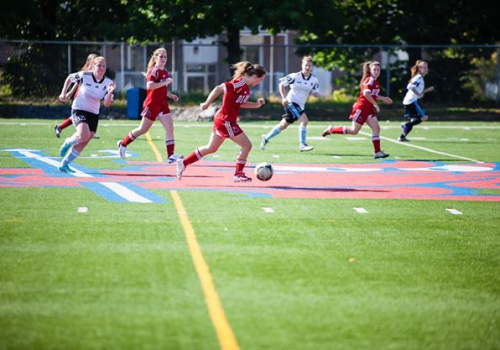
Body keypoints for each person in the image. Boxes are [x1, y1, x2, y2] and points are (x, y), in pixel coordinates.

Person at [176, 61, 267, 182]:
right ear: (255, 76)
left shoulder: (245, 87)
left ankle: (183, 163)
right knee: (247, 145)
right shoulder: (240, 82)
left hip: (222, 119)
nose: (259, 83)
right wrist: (207, 103)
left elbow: (240, 103)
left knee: (211, 148)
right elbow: (218, 88)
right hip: (226, 121)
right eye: (260, 80)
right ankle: (238, 174)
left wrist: (256, 105)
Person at [117, 48, 180, 163]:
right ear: (155, 58)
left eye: (165, 57)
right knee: (143, 129)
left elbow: (162, 88)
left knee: (170, 128)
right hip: (152, 105)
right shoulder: (153, 70)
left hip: (162, 105)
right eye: (161, 56)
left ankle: (170, 156)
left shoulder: (165, 71)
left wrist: (170, 95)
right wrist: (166, 82)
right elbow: (150, 85)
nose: (163, 59)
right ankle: (123, 143)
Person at [322, 60, 393, 159]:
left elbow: (373, 95)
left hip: (368, 109)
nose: (376, 71)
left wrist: (383, 98)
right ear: (370, 70)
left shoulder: (375, 81)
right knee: (354, 131)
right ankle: (331, 130)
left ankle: (377, 152)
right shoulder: (369, 80)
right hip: (361, 108)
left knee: (376, 129)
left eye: (378, 70)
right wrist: (375, 104)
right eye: (374, 69)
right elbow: (366, 94)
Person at [58, 56, 116, 173]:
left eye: (103, 66)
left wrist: (110, 93)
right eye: (99, 65)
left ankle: (64, 164)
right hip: (79, 109)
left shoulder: (108, 83)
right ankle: (68, 142)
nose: (101, 68)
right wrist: (63, 92)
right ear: (93, 66)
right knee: (82, 135)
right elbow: (70, 78)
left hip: (94, 113)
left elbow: (107, 104)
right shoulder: (85, 76)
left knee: (85, 141)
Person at [260, 56, 320, 152]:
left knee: (283, 125)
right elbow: (281, 84)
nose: (308, 67)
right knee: (304, 121)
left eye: (309, 66)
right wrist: (283, 98)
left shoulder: (314, 80)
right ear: (302, 65)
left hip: (300, 105)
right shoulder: (295, 76)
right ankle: (302, 145)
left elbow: (314, 91)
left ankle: (266, 138)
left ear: (312, 66)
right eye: (306, 65)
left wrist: (315, 94)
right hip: (290, 102)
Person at [54, 53, 98, 138]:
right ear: (89, 61)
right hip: (81, 95)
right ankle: (84, 131)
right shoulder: (86, 71)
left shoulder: (97, 70)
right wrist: (70, 92)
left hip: (90, 97)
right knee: (79, 115)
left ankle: (60, 127)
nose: (96, 61)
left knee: (79, 116)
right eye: (94, 59)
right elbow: (77, 82)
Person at [399, 60, 435, 141]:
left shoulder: (419, 77)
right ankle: (406, 125)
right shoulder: (418, 77)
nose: (426, 69)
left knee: (413, 121)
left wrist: (426, 90)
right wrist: (418, 94)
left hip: (408, 101)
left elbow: (418, 91)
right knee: (424, 117)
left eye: (427, 67)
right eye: (424, 67)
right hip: (412, 101)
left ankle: (402, 137)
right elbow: (410, 86)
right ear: (419, 69)